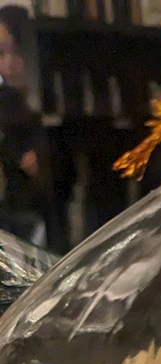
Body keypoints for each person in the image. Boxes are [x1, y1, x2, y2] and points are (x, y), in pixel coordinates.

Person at [0, 5, 52, 246]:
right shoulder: (5, 103)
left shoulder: (49, 102)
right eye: (1, 53)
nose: (8, 64)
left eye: (17, 51)